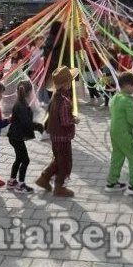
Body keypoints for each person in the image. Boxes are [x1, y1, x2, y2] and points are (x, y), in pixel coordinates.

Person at [35, 67, 78, 198]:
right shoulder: (65, 101)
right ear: (67, 84)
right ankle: (59, 187)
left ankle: (44, 178)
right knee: (64, 162)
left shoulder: (54, 98)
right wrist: (74, 120)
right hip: (63, 137)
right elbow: (65, 121)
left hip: (55, 136)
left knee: (58, 160)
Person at [107, 72, 133, 195]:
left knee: (117, 156)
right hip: (126, 132)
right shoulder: (128, 100)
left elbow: (116, 110)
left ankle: (112, 181)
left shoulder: (116, 97)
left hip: (114, 131)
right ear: (126, 86)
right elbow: (131, 119)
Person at [7, 81, 42, 193]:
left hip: (14, 135)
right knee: (25, 160)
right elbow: (26, 123)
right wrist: (39, 126)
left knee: (19, 158)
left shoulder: (20, 102)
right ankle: (20, 185)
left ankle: (12, 181)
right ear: (30, 92)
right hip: (16, 137)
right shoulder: (21, 104)